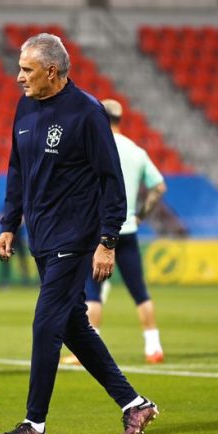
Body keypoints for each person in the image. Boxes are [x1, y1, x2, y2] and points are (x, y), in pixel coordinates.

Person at [0, 33, 158, 434]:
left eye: (26, 70)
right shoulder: (25, 107)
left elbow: (110, 179)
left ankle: (34, 425)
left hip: (75, 236)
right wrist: (10, 221)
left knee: (45, 323)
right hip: (41, 237)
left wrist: (107, 240)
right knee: (73, 327)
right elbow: (17, 168)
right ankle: (134, 404)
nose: (18, 78)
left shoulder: (87, 112)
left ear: (51, 70)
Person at [62, 99, 167, 366]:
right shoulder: (137, 151)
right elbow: (158, 188)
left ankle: (86, 352)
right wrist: (140, 215)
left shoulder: (95, 147)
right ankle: (153, 347)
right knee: (139, 292)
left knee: (93, 293)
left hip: (100, 230)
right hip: (128, 229)